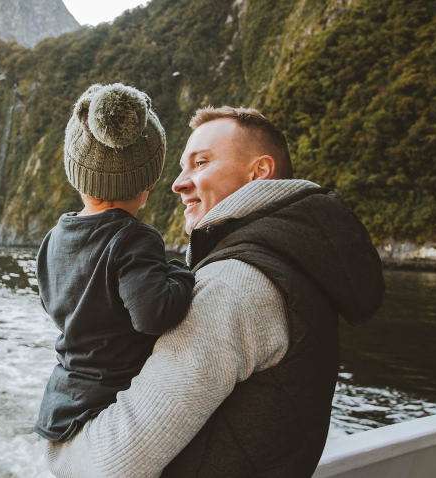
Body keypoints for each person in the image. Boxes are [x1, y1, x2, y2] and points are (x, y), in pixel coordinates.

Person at [45, 106, 386, 477]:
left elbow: (104, 467)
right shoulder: (293, 261)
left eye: (200, 163)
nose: (177, 183)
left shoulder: (232, 285)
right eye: (180, 168)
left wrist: (56, 450)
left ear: (259, 172)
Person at [32, 83, 196, 444]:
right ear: (149, 180)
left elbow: (50, 301)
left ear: (76, 174)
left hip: (62, 400)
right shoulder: (135, 239)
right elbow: (154, 314)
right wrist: (181, 272)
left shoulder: (53, 239)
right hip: (109, 405)